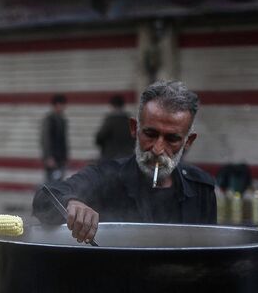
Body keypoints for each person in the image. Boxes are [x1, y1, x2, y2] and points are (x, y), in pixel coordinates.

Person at [33, 80, 216, 244]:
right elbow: (46, 197)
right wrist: (71, 203)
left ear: (188, 141)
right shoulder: (106, 176)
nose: (158, 149)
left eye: (172, 139)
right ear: (134, 129)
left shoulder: (200, 188)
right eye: (150, 134)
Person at [95, 94, 133, 160]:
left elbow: (99, 138)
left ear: (112, 106)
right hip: (127, 157)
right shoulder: (129, 121)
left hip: (111, 157)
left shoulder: (110, 121)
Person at [41, 94, 69, 182]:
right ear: (57, 104)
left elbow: (64, 140)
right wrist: (49, 157)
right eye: (63, 105)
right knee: (51, 184)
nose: (64, 107)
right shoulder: (49, 119)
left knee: (59, 184)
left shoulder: (62, 120)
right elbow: (46, 139)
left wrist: (65, 157)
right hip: (52, 158)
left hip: (60, 158)